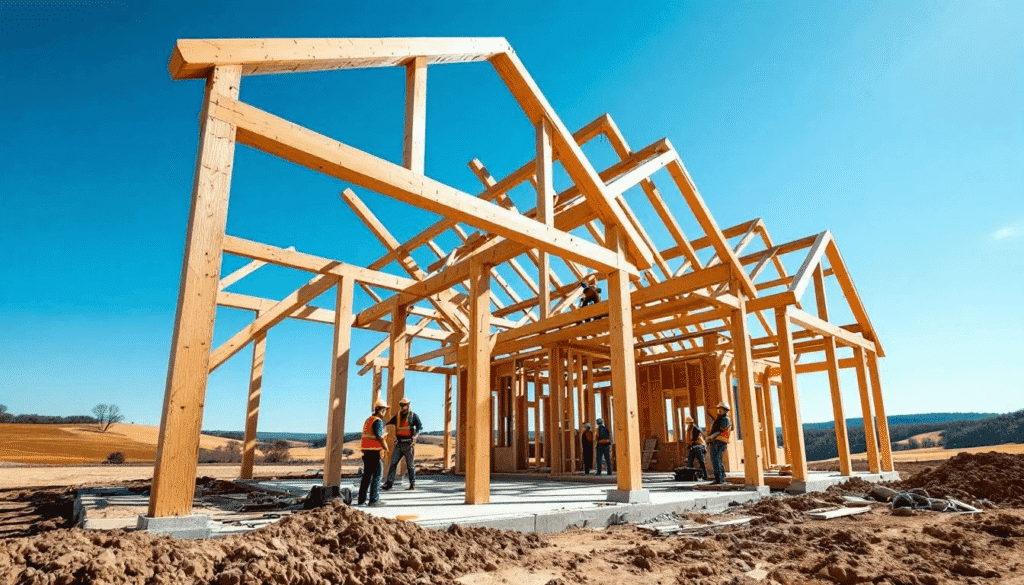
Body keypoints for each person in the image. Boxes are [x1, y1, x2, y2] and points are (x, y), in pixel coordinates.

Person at [381, 396, 423, 491]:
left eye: (404, 405)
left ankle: (412, 483)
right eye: (401, 405)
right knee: (393, 463)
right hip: (399, 444)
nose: (402, 407)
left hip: (408, 444)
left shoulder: (413, 416)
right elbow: (387, 422)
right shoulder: (397, 416)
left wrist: (415, 436)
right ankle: (389, 483)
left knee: (410, 465)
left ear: (408, 405)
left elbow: (420, 427)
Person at [358, 400, 389, 506]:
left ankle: (361, 499)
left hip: (367, 453)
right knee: (377, 475)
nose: (385, 412)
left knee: (366, 477)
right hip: (374, 453)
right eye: (384, 410)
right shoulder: (378, 421)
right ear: (380, 410)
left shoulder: (368, 420)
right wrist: (385, 446)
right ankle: (374, 500)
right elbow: (378, 436)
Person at [705, 402, 732, 485]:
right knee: (715, 460)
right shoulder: (718, 419)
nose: (719, 411)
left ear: (726, 410)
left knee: (716, 459)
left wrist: (712, 436)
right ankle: (719, 478)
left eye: (722, 409)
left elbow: (721, 429)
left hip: (720, 441)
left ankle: (720, 479)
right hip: (715, 441)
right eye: (719, 409)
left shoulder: (725, 419)